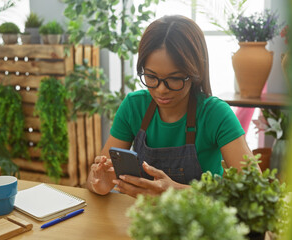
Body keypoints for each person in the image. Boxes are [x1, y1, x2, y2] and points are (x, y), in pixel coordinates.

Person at [87, 15, 254, 198]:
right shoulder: (134, 107)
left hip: (205, 222)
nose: (161, 89)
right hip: (144, 220)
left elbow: (253, 191)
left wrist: (177, 191)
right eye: (151, 76)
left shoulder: (215, 114)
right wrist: (100, 184)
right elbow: (94, 179)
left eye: (174, 79)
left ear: (195, 73)